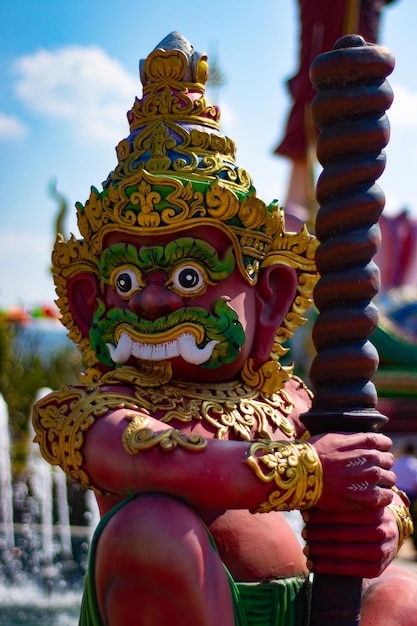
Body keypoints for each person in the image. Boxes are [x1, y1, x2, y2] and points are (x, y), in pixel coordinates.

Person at [32, 32, 416, 626]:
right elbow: (158, 460)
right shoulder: (90, 411)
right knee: (149, 530)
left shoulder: (286, 400)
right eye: (126, 282)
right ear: (88, 301)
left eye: (189, 276)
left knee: (400, 597)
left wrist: (382, 519)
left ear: (270, 299)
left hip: (293, 612)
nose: (153, 301)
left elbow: (366, 483)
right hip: (174, 599)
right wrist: (314, 473)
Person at [275, 0, 399, 229]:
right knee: (313, 91)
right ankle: (297, 203)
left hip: (361, 16)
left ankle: (350, 198)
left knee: (359, 100)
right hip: (322, 19)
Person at [393, 442, 417, 550]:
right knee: (410, 522)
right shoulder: (414, 464)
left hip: (396, 495)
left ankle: (395, 544)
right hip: (410, 496)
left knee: (396, 521)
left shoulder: (396, 463)